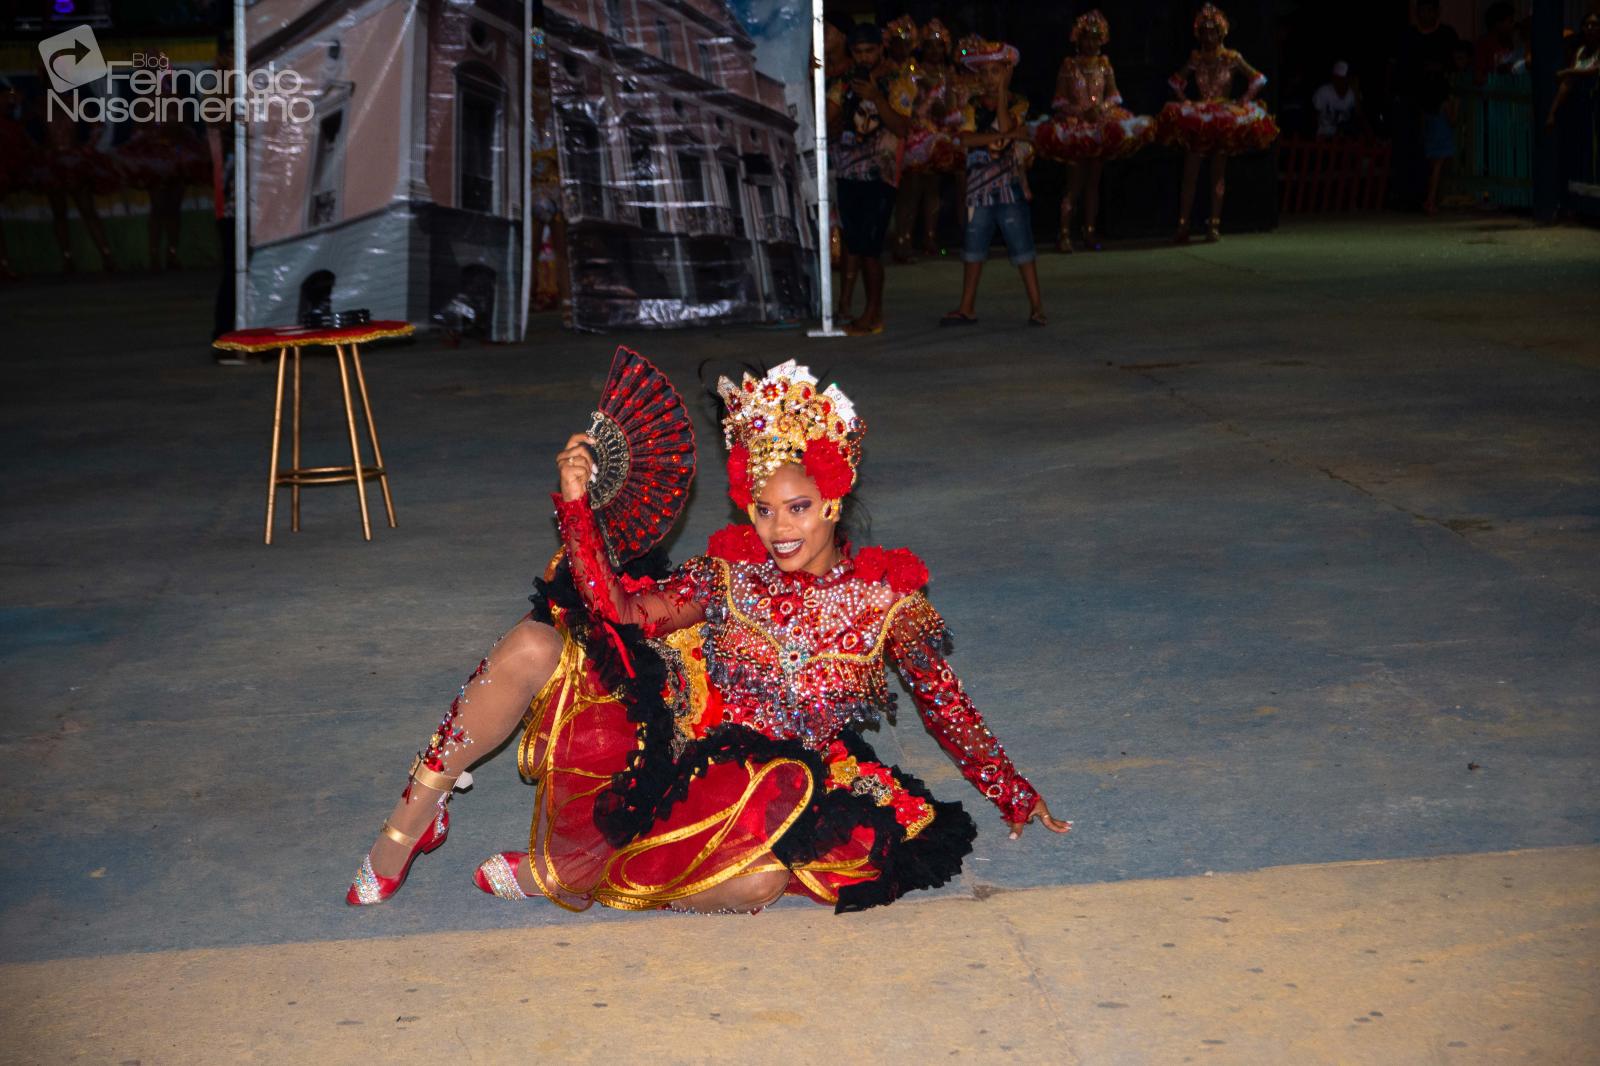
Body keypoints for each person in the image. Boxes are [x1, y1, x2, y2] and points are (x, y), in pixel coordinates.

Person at [344, 358, 1071, 913]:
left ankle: (589, 871)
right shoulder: (728, 574)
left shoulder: (888, 601)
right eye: (761, 510)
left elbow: (946, 704)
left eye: (797, 508)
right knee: (537, 644)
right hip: (684, 748)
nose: (778, 529)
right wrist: (576, 509)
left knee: (758, 882)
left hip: (790, 781)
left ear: (833, 501)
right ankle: (411, 818)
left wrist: (1011, 791)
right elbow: (623, 615)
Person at [938, 41, 1044, 328]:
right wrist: (999, 138)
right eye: (983, 73)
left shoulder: (1017, 102)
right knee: (973, 247)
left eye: (995, 72)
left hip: (1009, 187)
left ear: (1007, 73)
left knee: (1022, 246)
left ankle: (1037, 306)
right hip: (979, 188)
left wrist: (1001, 103)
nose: (988, 78)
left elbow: (1008, 126)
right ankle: (966, 306)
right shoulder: (972, 105)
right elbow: (966, 139)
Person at [1157, 4, 1278, 243]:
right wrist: (1187, 102)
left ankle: (1214, 224)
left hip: (1223, 115)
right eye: (1204, 32)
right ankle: (1183, 225)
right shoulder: (1196, 57)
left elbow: (1258, 79)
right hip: (1200, 115)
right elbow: (1175, 81)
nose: (1209, 37)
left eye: (1213, 32)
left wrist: (1242, 101)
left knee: (1218, 173)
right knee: (1190, 173)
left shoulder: (1232, 57)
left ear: (1221, 33)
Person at [1036, 11, 1155, 252]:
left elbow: (1113, 95)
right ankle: (1065, 233)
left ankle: (1089, 232)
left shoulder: (1104, 64)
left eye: (1095, 38)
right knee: (1074, 184)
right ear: (1078, 40)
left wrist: (1101, 107)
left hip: (1099, 125)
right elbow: (1058, 99)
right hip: (1075, 128)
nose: (1090, 43)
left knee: (1093, 183)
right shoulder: (1069, 65)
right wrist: (1081, 112)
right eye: (1086, 38)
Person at [826, 23, 913, 337]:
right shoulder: (845, 80)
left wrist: (876, 97)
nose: (864, 58)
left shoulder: (898, 81)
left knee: (871, 247)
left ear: (881, 50)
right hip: (847, 171)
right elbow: (829, 119)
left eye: (870, 51)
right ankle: (859, 308)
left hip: (880, 174)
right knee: (856, 243)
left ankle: (874, 313)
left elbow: (902, 128)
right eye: (858, 52)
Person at [894, 18, 962, 259]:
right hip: (915, 134)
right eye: (930, 45)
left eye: (939, 45)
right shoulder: (913, 70)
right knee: (910, 190)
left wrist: (947, 96)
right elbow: (904, 103)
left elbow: (951, 110)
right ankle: (903, 239)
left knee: (933, 189)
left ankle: (930, 238)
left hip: (938, 135)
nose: (935, 51)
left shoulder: (949, 73)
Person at [1391, 0, 1460, 210]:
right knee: (1414, 150)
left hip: (1437, 102)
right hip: (1411, 102)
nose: (1426, 15)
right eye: (1422, 10)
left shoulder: (1446, 35)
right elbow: (1397, 67)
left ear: (1437, 12)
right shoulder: (1408, 37)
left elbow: (1454, 66)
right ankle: (1412, 198)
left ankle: (1431, 197)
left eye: (1430, 10)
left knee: (1437, 153)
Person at [1312, 61, 1360, 139]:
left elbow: (1358, 115)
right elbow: (1313, 114)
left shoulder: (1351, 95)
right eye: (1340, 79)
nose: (1343, 82)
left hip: (1341, 138)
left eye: (1346, 79)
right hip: (1322, 135)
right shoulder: (1323, 92)